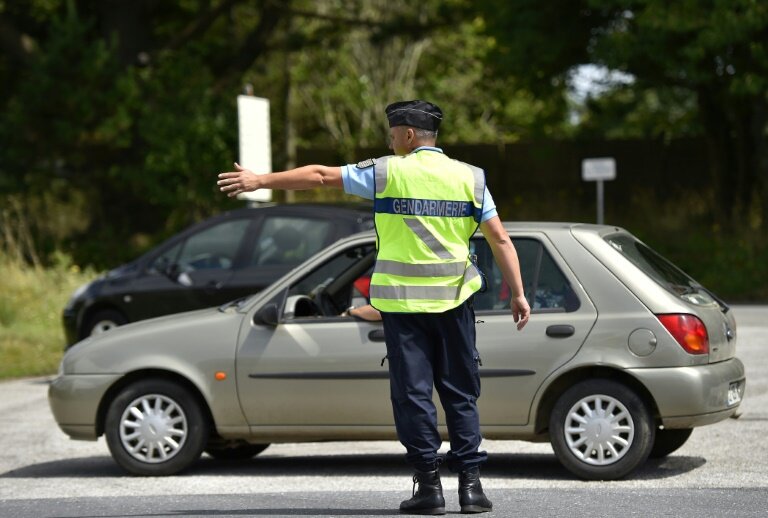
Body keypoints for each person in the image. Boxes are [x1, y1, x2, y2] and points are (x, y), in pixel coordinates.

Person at [217, 100, 530, 515]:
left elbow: (321, 175)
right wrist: (519, 293)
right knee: (460, 393)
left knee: (413, 395)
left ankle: (429, 488)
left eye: (392, 132)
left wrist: (261, 181)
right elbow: (501, 239)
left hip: (402, 307)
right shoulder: (470, 178)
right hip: (456, 304)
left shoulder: (386, 172)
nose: (389, 139)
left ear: (409, 135)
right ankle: (471, 488)